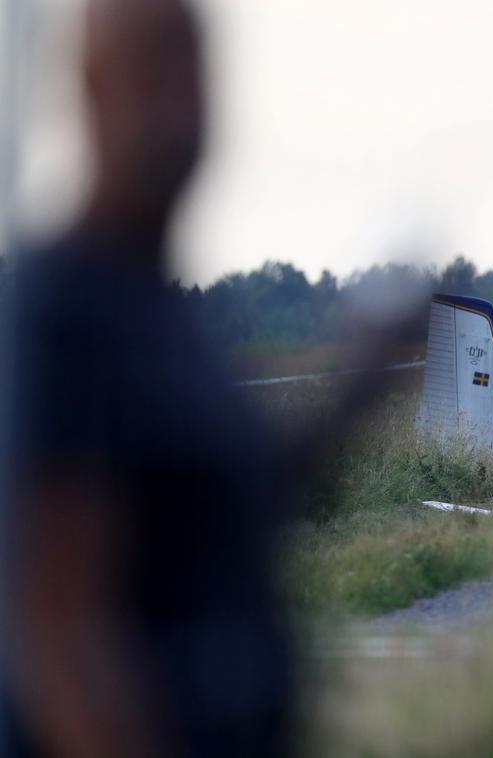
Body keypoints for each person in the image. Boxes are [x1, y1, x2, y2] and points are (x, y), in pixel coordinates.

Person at [0, 1, 421, 754]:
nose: (182, 102)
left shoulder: (169, 313)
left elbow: (235, 511)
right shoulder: (66, 304)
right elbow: (61, 637)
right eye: (155, 66)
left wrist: (357, 391)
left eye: (194, 67)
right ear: (93, 85)